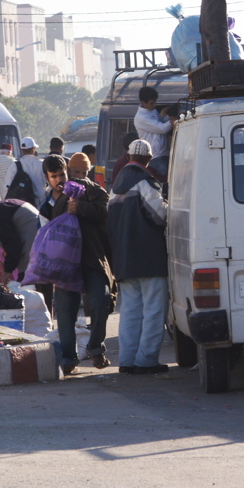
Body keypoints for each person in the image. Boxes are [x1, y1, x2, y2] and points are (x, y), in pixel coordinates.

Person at [40, 154, 113, 374]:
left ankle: (95, 348)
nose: (76, 177)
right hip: (65, 264)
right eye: (74, 173)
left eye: (82, 173)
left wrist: (80, 208)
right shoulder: (54, 202)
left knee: (101, 303)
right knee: (64, 310)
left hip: (93, 260)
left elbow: (103, 213)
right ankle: (69, 358)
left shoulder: (95, 192)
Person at [108, 140, 170, 375]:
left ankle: (127, 360)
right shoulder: (146, 183)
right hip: (149, 258)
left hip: (123, 259)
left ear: (128, 155)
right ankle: (146, 361)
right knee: (154, 310)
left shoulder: (114, 188)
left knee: (130, 312)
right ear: (149, 159)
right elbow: (160, 215)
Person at [134, 87, 174, 159]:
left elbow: (161, 122)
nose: (154, 105)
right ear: (142, 102)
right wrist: (172, 121)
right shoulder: (142, 117)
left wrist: (168, 116)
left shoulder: (152, 110)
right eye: (151, 103)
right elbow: (162, 129)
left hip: (163, 152)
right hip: (155, 156)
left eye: (155, 102)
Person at [8, 136, 46, 207]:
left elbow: (7, 186)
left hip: (23, 205)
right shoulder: (43, 163)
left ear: (21, 149)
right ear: (33, 148)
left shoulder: (15, 166)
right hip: (41, 204)